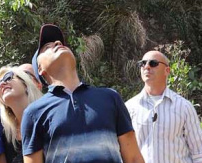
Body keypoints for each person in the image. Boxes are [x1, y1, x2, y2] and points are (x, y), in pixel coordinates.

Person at [22, 24, 145, 163]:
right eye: (47, 47)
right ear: (39, 68)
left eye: (60, 42)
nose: (57, 43)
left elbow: (134, 158)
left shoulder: (110, 97)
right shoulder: (34, 113)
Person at [125, 51, 202, 163]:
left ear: (167, 70)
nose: (146, 67)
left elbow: (200, 154)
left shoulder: (184, 107)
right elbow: (124, 153)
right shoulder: (129, 107)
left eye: (153, 63)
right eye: (143, 63)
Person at [0, 67, 42, 163]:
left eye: (8, 77)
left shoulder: (48, 119)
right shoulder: (5, 137)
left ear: (25, 84)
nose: (2, 84)